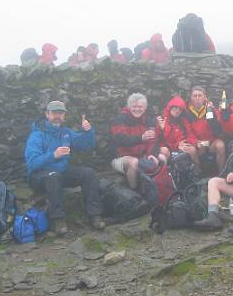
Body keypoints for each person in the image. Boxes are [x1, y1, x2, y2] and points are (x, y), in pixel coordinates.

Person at [24, 101, 105, 235]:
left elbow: (86, 145)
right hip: (38, 175)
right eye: (54, 113)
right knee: (53, 176)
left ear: (64, 116)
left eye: (60, 113)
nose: (57, 116)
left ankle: (95, 215)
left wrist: (88, 131)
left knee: (88, 173)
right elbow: (32, 162)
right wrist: (53, 155)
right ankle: (58, 221)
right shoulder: (37, 135)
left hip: (61, 171)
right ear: (47, 114)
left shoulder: (65, 132)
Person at [110, 93, 169, 189]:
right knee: (133, 162)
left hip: (141, 156)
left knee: (162, 157)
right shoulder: (120, 120)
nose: (137, 109)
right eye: (134, 106)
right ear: (129, 107)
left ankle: (162, 186)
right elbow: (121, 140)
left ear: (145, 108)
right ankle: (135, 191)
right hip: (121, 157)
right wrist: (141, 138)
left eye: (140, 106)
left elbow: (153, 141)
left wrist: (152, 155)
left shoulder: (148, 120)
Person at [186, 86, 226, 173]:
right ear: (191, 97)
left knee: (220, 145)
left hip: (211, 142)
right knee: (191, 150)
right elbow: (188, 133)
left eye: (200, 96)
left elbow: (219, 130)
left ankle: (221, 173)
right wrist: (196, 142)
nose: (197, 98)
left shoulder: (211, 109)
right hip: (199, 144)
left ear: (204, 97)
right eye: (194, 96)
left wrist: (213, 117)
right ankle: (199, 174)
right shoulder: (187, 112)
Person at [162, 96, 200, 167]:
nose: (177, 111)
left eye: (180, 109)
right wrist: (177, 146)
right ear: (170, 107)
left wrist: (195, 142)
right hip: (168, 149)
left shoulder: (183, 122)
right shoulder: (162, 121)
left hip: (182, 146)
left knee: (193, 149)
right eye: (175, 108)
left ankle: (197, 172)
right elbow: (162, 140)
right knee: (191, 150)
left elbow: (190, 135)